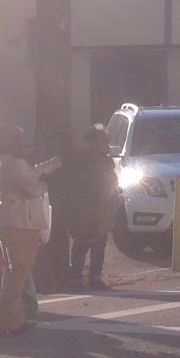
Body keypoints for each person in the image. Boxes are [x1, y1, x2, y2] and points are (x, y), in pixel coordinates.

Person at [0, 123, 60, 336]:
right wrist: (46, 182)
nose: (22, 143)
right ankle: (5, 320)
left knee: (13, 270)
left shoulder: (2, 162)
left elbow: (27, 175)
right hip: (21, 221)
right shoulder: (15, 164)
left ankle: (13, 318)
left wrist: (45, 168)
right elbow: (33, 188)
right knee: (19, 271)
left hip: (7, 219)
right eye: (18, 139)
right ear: (9, 143)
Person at [59, 124, 119, 290]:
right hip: (85, 211)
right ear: (92, 142)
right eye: (102, 141)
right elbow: (76, 187)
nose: (106, 144)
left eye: (107, 141)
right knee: (82, 244)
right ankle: (76, 278)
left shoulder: (107, 161)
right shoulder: (81, 162)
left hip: (103, 210)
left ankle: (95, 277)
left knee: (100, 244)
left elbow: (112, 183)